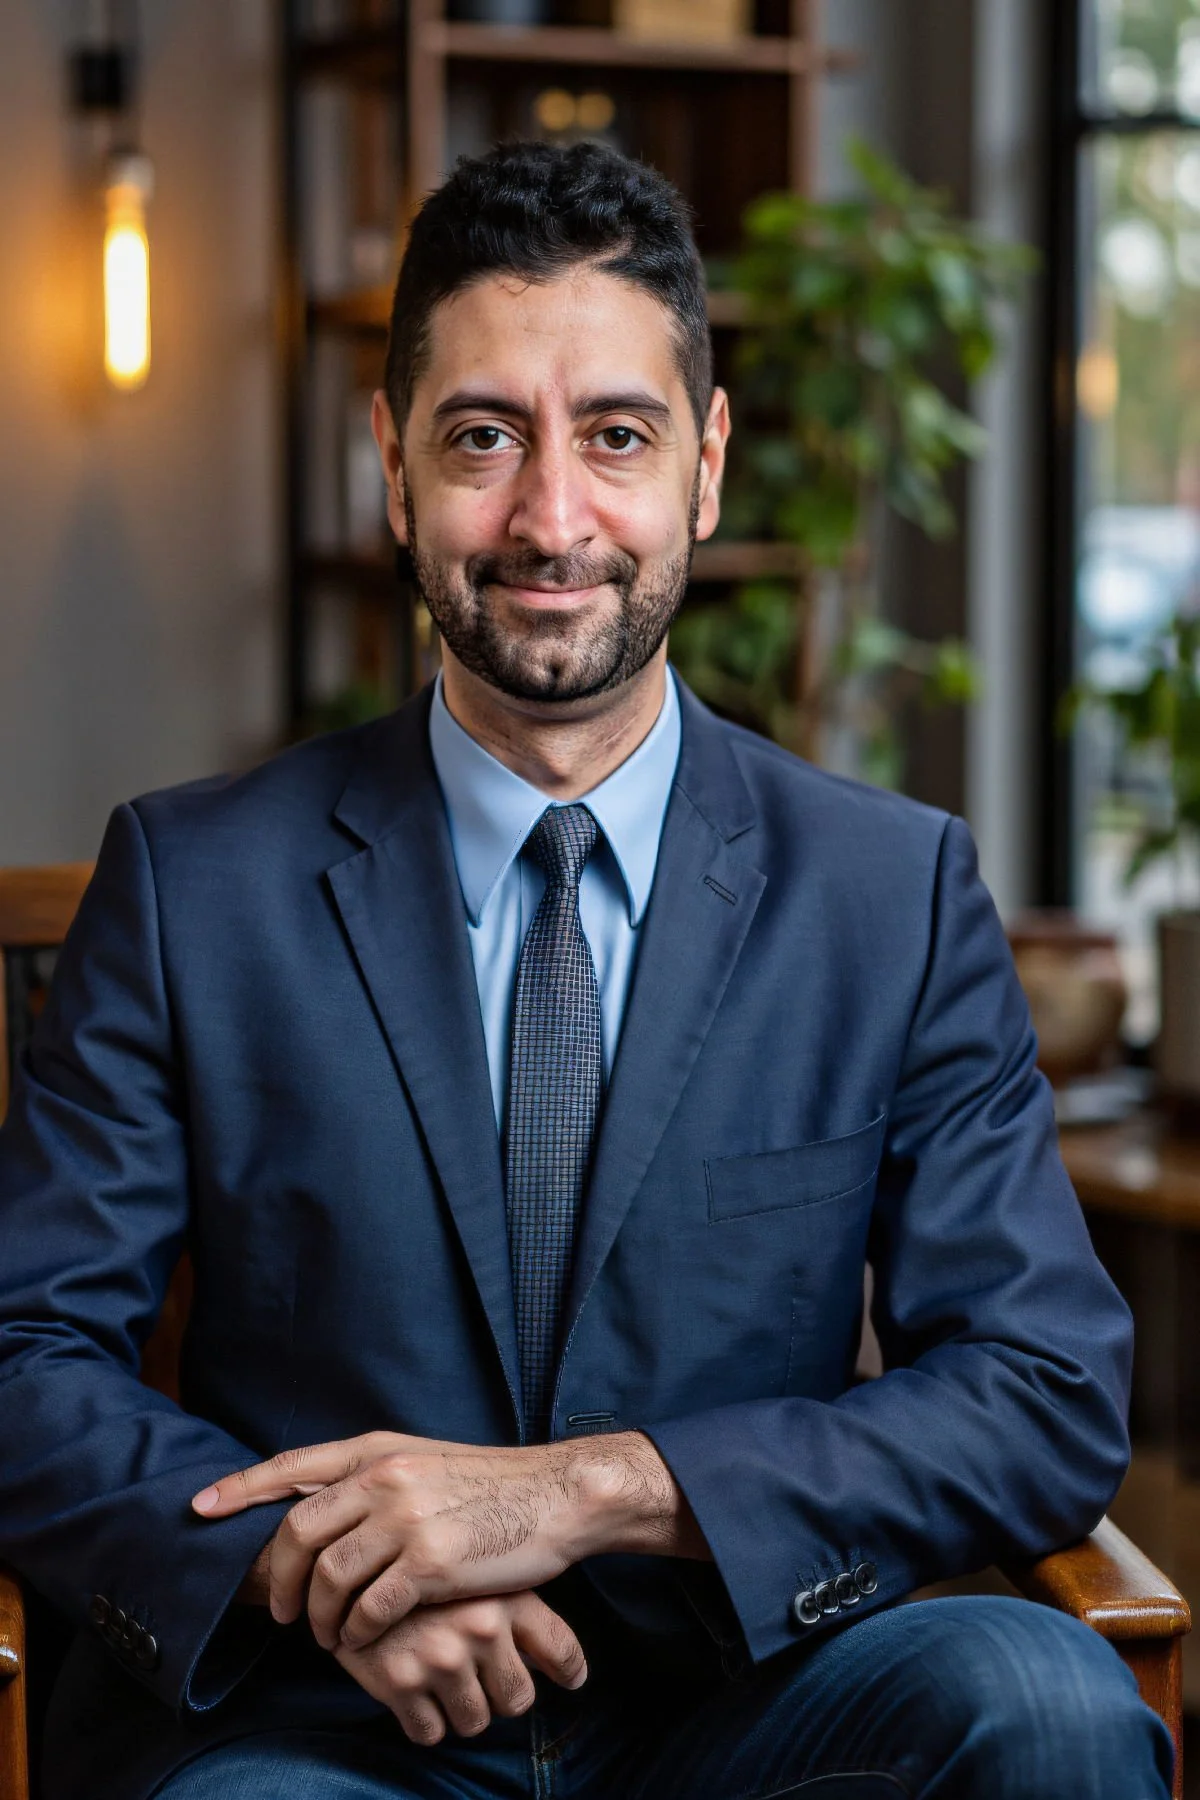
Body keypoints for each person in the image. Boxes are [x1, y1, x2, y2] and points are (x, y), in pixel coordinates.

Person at [0, 141, 1173, 1800]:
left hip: (747, 1703)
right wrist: (306, 1571)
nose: (552, 520)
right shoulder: (195, 885)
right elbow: (23, 1361)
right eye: (484, 438)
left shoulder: (888, 892)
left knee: (1047, 1709)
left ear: (703, 470)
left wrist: (592, 1491)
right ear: (395, 473)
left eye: (614, 437)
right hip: (331, 1727)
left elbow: (1044, 1392)